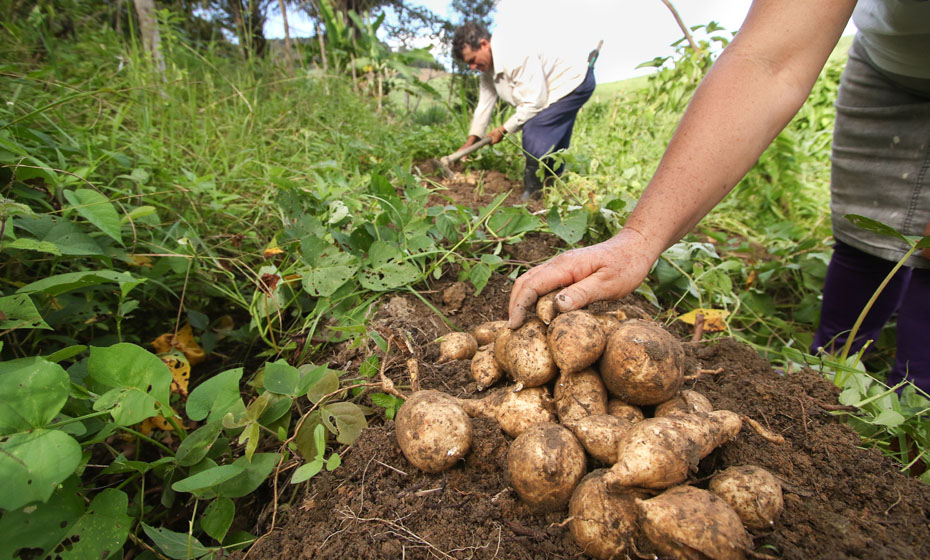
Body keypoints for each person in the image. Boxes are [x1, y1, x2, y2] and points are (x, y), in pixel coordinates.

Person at [507, 0, 930, 392]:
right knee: (862, 239)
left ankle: (913, 409)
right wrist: (637, 239)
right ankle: (824, 383)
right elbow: (769, 60)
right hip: (887, 60)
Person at [451, 21, 599, 200]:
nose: (472, 68)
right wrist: (469, 144)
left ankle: (533, 195)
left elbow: (534, 103)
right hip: (553, 92)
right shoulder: (488, 71)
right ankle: (551, 190)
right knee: (551, 140)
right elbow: (483, 106)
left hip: (572, 83)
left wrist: (502, 130)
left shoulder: (512, 52)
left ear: (484, 44)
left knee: (535, 128)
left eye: (472, 60)